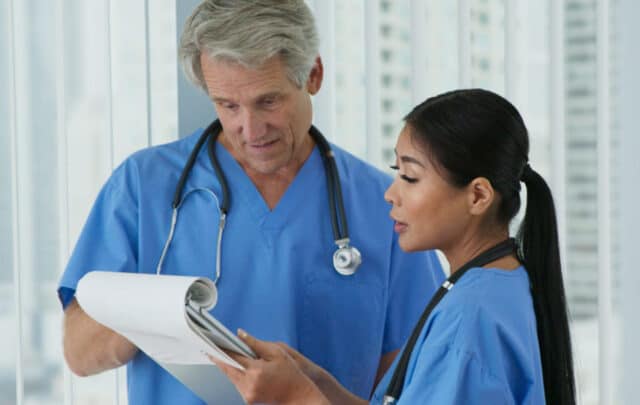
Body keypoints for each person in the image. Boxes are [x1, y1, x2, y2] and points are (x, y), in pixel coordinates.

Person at [58, 1, 443, 403]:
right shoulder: (144, 187)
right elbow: (79, 355)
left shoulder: (386, 206)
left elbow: (411, 387)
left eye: (268, 101)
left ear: (313, 75)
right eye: (228, 105)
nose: (251, 128)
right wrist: (152, 309)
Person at [212, 88, 577, 405]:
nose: (391, 193)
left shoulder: (469, 319)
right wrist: (313, 381)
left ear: (478, 195)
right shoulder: (501, 284)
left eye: (411, 177)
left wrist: (295, 397)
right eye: (396, 170)